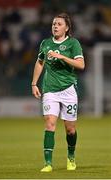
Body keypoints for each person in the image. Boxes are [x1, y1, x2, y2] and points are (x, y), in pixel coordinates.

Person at [31, 12, 85, 172]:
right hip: (50, 90)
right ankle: (48, 163)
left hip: (68, 90)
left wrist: (61, 56)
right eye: (54, 23)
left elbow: (81, 65)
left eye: (59, 24)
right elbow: (40, 62)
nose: (55, 26)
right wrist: (34, 83)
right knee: (49, 123)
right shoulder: (45, 43)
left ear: (67, 28)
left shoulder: (73, 43)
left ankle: (71, 156)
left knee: (70, 129)